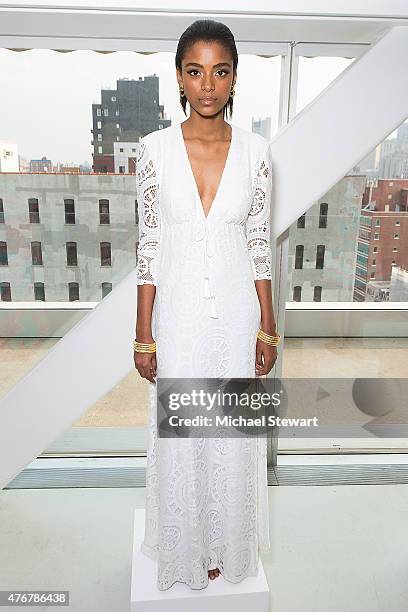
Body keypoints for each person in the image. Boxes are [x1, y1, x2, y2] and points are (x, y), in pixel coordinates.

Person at [134, 18, 280, 591]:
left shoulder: (258, 153)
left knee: (231, 434)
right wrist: (144, 332)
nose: (208, 85)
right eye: (195, 71)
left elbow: (260, 244)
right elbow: (148, 246)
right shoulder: (153, 151)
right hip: (180, 315)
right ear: (179, 77)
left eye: (220, 71)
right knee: (185, 432)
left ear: (235, 79)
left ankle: (227, 544)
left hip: (238, 313)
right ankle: (187, 548)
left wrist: (267, 326)